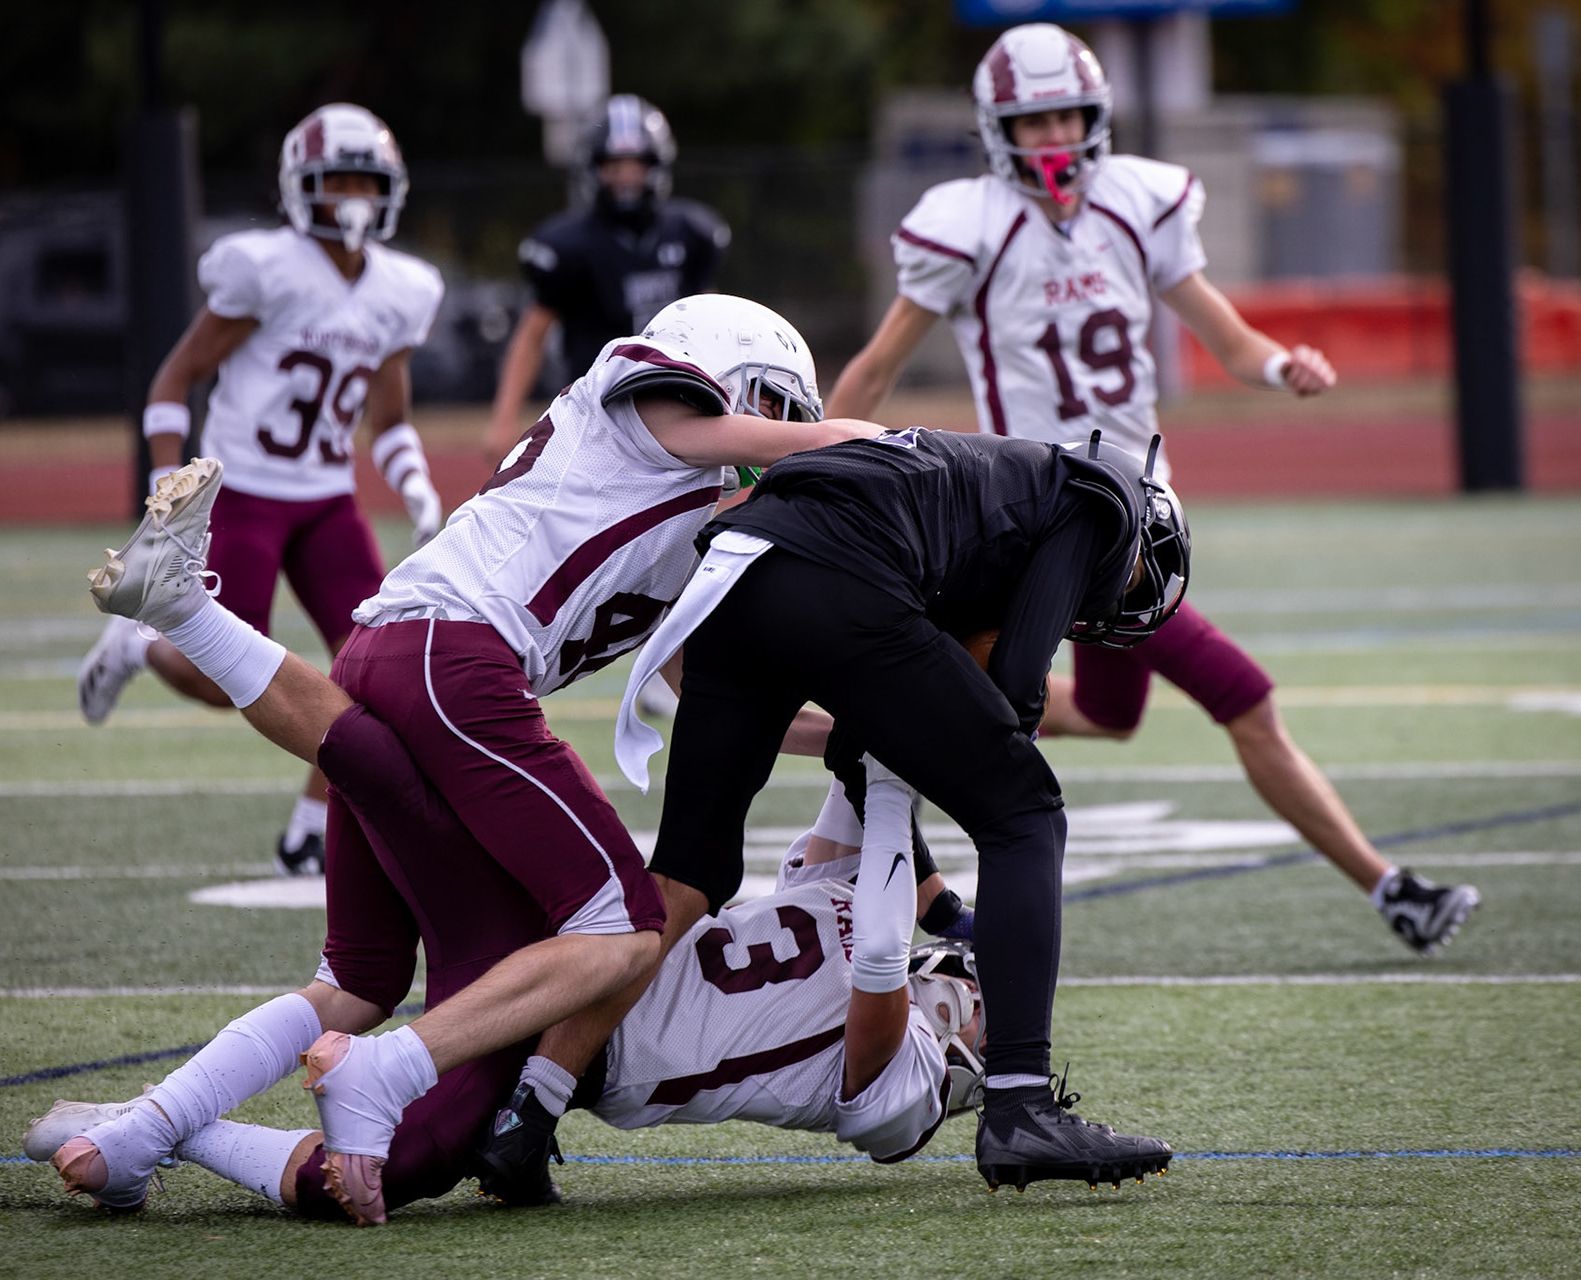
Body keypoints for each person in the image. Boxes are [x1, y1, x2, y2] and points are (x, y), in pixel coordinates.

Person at [40, 295, 882, 1219]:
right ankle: (382, 1075)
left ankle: (142, 1129)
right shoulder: (650, 405)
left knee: (358, 978)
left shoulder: (671, 507)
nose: (775, 432)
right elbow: (770, 441)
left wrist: (851, 730)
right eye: (774, 406)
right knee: (624, 922)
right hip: (460, 659)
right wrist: (901, 444)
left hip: (394, 649)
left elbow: (689, 683)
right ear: (729, 372)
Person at [824, 23, 1479, 955]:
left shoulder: (1138, 203)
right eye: (1033, 119)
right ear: (996, 129)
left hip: (1133, 517)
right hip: (1043, 519)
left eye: (1067, 115)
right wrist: (818, 455)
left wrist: (1282, 364)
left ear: (1096, 118)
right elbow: (879, 365)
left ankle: (846, 734)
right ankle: (1391, 889)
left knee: (1108, 712)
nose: (1053, 137)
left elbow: (1227, 335)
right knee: (1243, 696)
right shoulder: (968, 222)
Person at [26, 707, 992, 1220]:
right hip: (577, 935)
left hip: (574, 1025)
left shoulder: (903, 1087)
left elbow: (875, 964)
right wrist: (921, 745)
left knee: (375, 1134)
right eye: (994, 996)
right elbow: (868, 768)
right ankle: (140, 1129)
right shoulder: (867, 897)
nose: (982, 1012)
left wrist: (916, 838)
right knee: (395, 775)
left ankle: (141, 1125)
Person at [589, 425, 1190, 1197]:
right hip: (824, 574)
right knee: (1028, 813)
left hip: (734, 566)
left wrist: (939, 906)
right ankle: (1021, 1102)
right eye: (1136, 582)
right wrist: (1006, 715)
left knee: (689, 871)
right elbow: (1008, 686)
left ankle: (535, 1097)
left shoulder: (968, 499)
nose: (1119, 594)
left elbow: (878, 749)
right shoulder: (1095, 508)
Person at [76, 103, 447, 876]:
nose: (351, 198)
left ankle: (310, 828)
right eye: (336, 180)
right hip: (243, 493)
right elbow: (175, 378)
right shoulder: (266, 268)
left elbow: (390, 418)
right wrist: (166, 494)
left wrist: (419, 492)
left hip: (327, 502)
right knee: (224, 681)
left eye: (365, 182)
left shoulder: (400, 290)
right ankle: (140, 651)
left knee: (378, 672)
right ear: (299, 186)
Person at [484, 94, 730, 720]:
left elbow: (714, 322)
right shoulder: (567, 244)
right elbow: (533, 331)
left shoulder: (692, 233)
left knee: (689, 534)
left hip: (681, 409)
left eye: (636, 164)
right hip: (600, 421)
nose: (625, 177)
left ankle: (663, 663)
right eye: (613, 164)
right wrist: (502, 414)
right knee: (602, 538)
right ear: (591, 169)